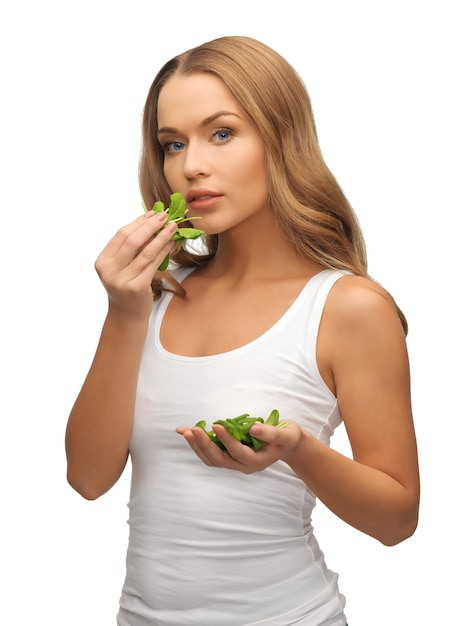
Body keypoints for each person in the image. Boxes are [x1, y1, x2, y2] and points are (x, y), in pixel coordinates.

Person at [65, 35, 420, 626]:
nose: (190, 165)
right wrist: (123, 311)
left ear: (281, 138)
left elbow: (397, 521)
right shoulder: (157, 292)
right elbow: (86, 478)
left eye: (221, 133)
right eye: (172, 144)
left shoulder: (348, 307)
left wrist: (299, 452)